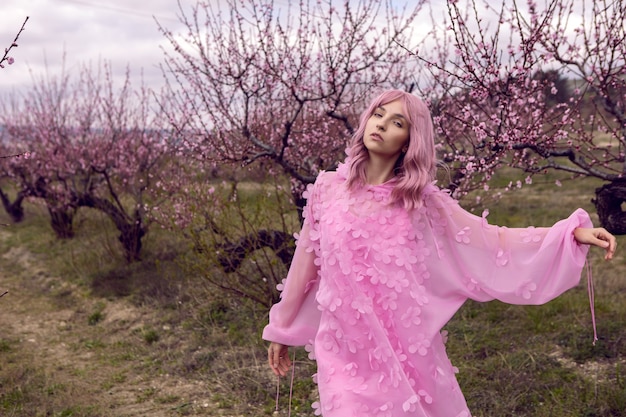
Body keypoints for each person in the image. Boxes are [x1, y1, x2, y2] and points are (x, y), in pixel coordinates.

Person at [262, 89, 617, 417]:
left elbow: (490, 240)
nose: (382, 125)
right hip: (342, 348)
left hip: (406, 348)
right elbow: (304, 265)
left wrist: (571, 234)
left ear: (409, 140)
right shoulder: (326, 190)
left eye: (396, 122)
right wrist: (281, 329)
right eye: (378, 115)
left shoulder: (420, 202)